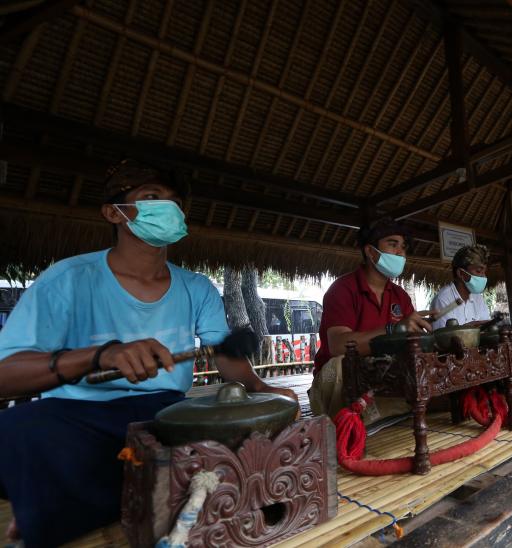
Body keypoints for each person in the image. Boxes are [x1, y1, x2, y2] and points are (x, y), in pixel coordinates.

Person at [0, 159, 297, 547]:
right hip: (78, 416)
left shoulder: (196, 287)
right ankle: (62, 506)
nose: (167, 209)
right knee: (17, 429)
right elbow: (6, 374)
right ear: (113, 212)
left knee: (236, 440)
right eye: (152, 198)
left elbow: (225, 356)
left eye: (174, 202)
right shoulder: (68, 279)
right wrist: (100, 356)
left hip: (166, 414)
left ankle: (56, 503)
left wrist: (259, 387)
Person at [309, 217, 431, 423]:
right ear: (371, 251)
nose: (401, 252)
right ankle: (347, 426)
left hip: (384, 375)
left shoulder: (401, 296)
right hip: (342, 380)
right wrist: (393, 329)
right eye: (392, 244)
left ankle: (386, 416)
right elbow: (338, 346)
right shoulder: (342, 289)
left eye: (403, 247)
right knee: (339, 364)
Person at [431, 244, 492, 329]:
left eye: (484, 272)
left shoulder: (478, 298)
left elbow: (486, 329)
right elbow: (442, 338)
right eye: (478, 271)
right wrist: (467, 330)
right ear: (461, 273)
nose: (484, 277)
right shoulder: (443, 299)